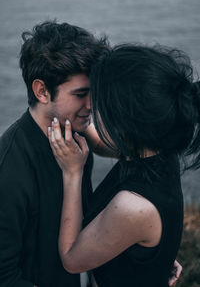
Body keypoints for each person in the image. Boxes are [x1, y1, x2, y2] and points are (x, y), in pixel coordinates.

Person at [48, 44, 200, 287]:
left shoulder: (131, 206)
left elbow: (71, 259)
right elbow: (101, 143)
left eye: (100, 103)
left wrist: (72, 173)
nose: (92, 107)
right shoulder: (155, 149)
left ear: (126, 122)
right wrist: (67, 111)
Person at [0, 20, 109, 287]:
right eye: (81, 94)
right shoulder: (10, 168)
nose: (91, 105)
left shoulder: (76, 131)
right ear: (42, 91)